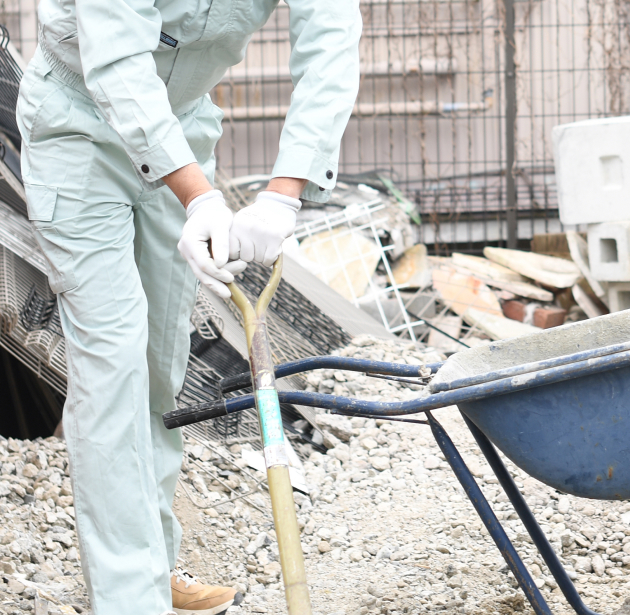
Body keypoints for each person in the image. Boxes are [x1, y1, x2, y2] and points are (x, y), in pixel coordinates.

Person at [16, 0, 361, 613]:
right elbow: (117, 57)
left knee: (160, 362)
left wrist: (286, 195)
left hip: (183, 126)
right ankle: (129, 598)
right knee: (113, 360)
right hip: (78, 126)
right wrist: (200, 200)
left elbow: (330, 44)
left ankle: (150, 563)